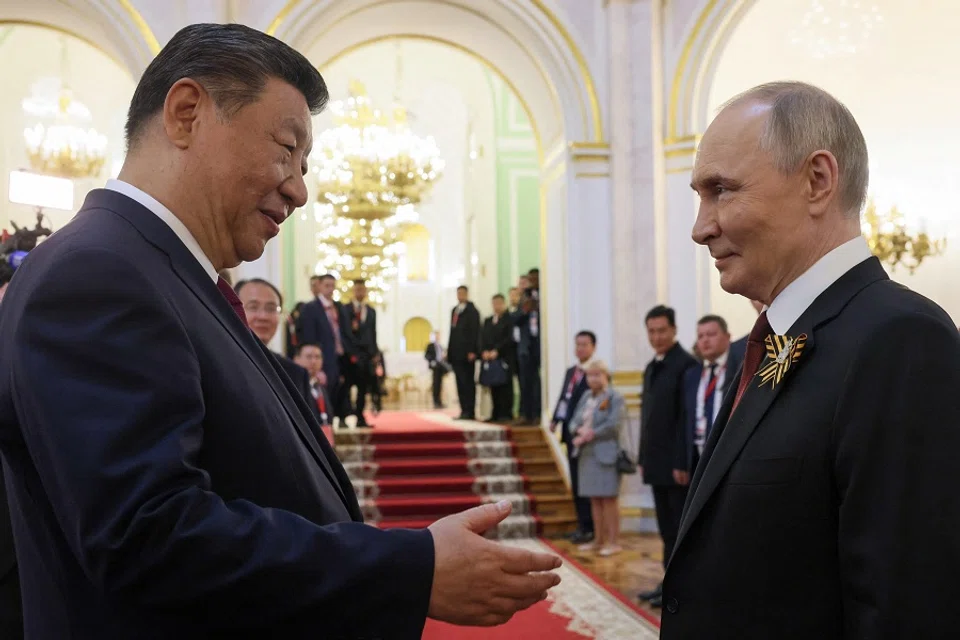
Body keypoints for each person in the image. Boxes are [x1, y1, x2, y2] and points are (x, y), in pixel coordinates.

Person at [0, 23, 561, 639]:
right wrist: (412, 567)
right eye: (286, 149)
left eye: (305, 162)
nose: (298, 189)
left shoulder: (165, 273)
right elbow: (149, 535)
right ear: (187, 113)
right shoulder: (98, 272)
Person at [662, 81, 960, 638]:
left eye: (721, 190)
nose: (700, 227)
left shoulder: (898, 340)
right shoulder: (778, 336)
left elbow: (907, 608)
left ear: (817, 181)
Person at [637, 305, 697, 608]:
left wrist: (680, 461)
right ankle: (667, 582)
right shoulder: (651, 366)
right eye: (651, 331)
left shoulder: (686, 365)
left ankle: (678, 587)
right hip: (655, 462)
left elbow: (686, 419)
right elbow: (648, 416)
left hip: (676, 466)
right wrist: (642, 455)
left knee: (677, 528)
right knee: (665, 527)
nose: (656, 336)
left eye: (662, 330)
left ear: (673, 330)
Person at [235, 277, 326, 429]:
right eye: (253, 306)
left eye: (271, 309)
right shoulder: (214, 365)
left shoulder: (295, 374)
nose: (263, 316)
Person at [568, 360, 624, 557]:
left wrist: (591, 433)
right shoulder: (585, 396)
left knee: (609, 499)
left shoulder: (614, 397)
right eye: (589, 375)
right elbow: (573, 420)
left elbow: (613, 424)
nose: (592, 378)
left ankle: (614, 541)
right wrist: (578, 429)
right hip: (586, 454)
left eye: (597, 374)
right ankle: (598, 540)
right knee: (594, 500)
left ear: (605, 376)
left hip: (605, 453)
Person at [550, 330, 597, 544]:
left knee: (586, 483)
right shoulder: (572, 371)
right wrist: (555, 420)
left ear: (593, 347)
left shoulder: (596, 372)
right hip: (569, 434)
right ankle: (581, 525)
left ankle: (590, 527)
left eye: (584, 344)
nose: (580, 348)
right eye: (577, 344)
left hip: (585, 436)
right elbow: (564, 398)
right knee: (576, 482)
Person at [680, 315, 741, 475]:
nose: (705, 340)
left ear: (727, 337)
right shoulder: (692, 374)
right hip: (698, 453)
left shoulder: (739, 369)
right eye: (701, 336)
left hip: (728, 451)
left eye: (711, 334)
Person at [340, 280, 378, 427]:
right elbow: (344, 333)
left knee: (363, 388)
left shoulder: (371, 311)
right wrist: (351, 354)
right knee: (346, 388)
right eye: (357, 289)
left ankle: (360, 417)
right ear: (353, 291)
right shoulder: (345, 309)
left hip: (366, 356)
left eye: (363, 290)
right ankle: (344, 416)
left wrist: (374, 353)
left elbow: (373, 333)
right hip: (350, 357)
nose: (360, 292)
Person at [479, 294, 516, 423]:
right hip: (490, 358)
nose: (497, 306)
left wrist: (497, 351)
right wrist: (484, 351)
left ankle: (505, 414)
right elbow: (483, 337)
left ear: (504, 304)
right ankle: (495, 413)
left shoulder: (509, 319)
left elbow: (509, 338)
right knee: (493, 386)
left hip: (504, 358)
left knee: (505, 387)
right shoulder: (488, 320)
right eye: (494, 303)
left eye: (499, 303)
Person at [448, 285, 481, 420]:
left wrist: (473, 350)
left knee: (468, 382)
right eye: (458, 293)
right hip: (456, 354)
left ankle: (470, 410)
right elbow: (453, 332)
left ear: (467, 294)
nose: (460, 295)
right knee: (460, 382)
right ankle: (463, 410)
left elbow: (475, 332)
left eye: (462, 293)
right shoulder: (455, 311)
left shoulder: (472, 311)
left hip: (467, 354)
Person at [425, 331, 450, 409]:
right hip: (435, 366)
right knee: (435, 385)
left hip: (441, 367)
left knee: (440, 385)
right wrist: (432, 361)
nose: (437, 337)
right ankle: (435, 402)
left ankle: (439, 402)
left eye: (438, 336)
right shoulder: (430, 345)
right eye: (436, 336)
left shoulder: (440, 346)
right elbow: (426, 355)